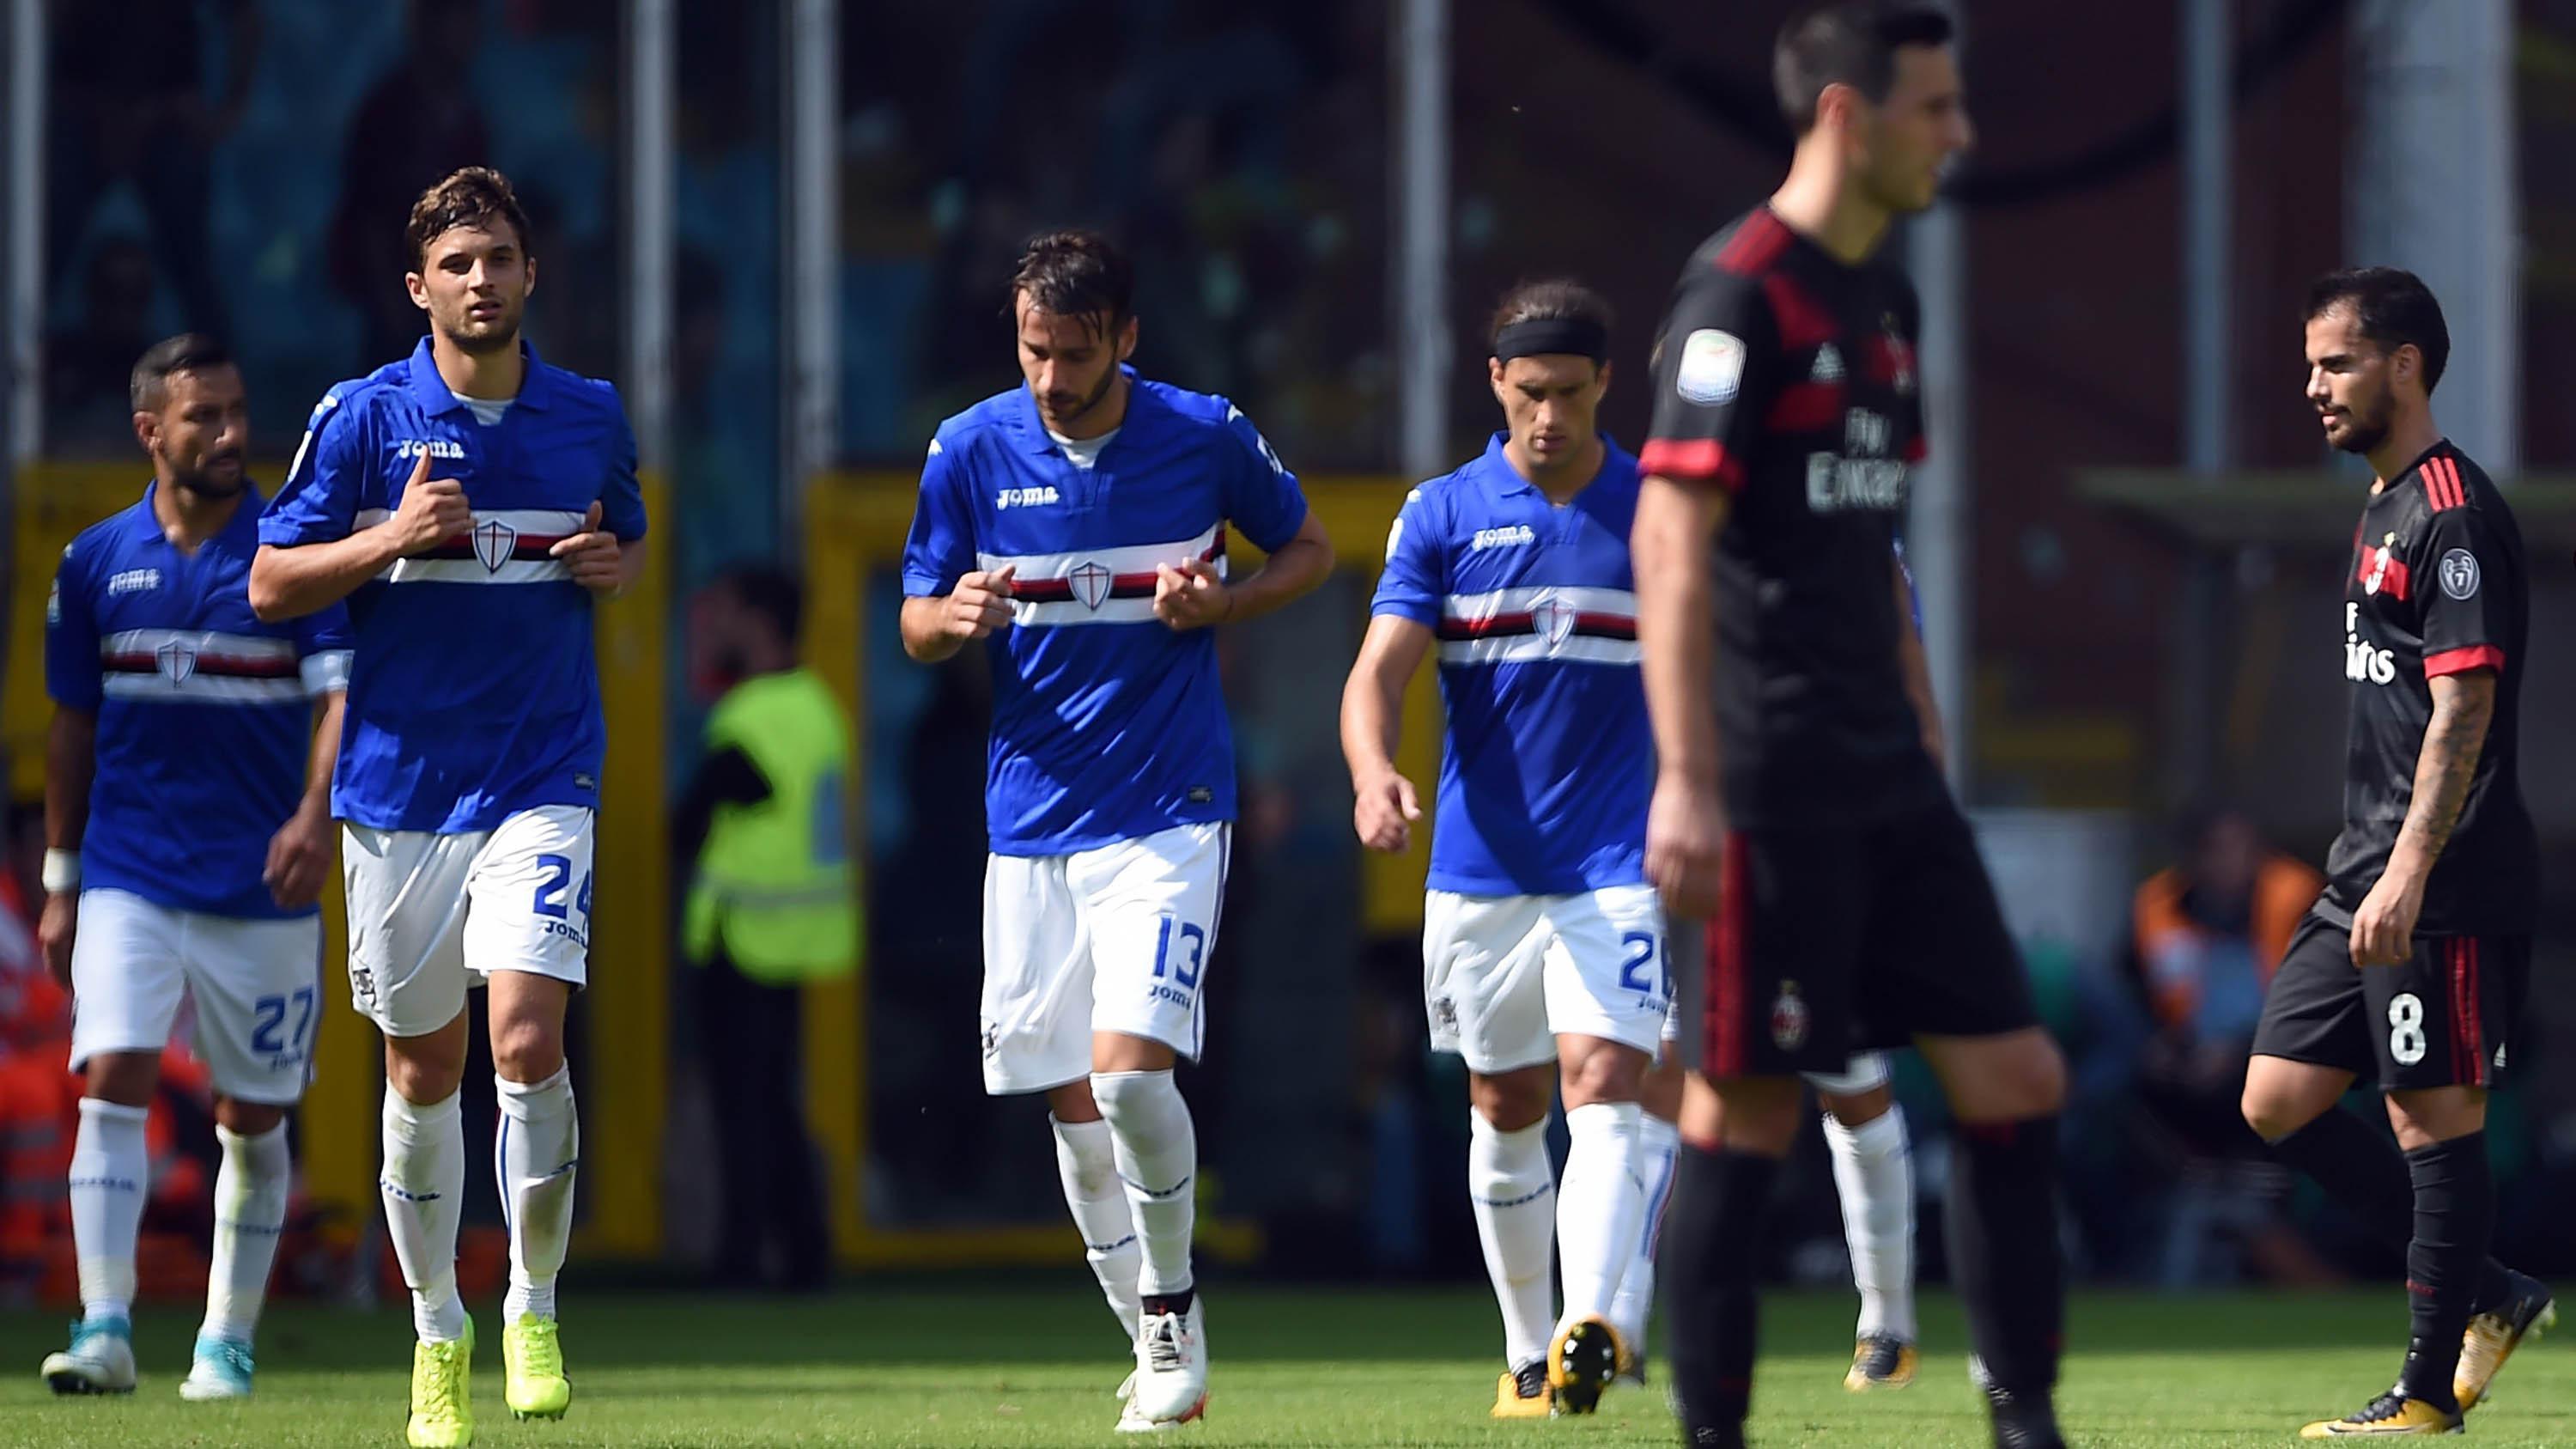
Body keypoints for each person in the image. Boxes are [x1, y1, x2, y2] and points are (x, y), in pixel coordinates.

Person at [1627, 6, 2072, 1448]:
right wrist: (1690, 780)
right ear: (1845, 115)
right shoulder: (1734, 297)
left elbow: (1868, 553)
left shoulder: (1890, 301)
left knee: (2019, 1075)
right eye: (1937, 109)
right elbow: (1669, 540)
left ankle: (2024, 1420)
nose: (1962, 136)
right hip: (1772, 780)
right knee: (1745, 1116)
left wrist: (1925, 724)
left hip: (1890, 772)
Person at [898, 229, 1334, 1433]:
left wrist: (1229, 600)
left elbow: (1311, 544)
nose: (1051, 377)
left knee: (1131, 1071)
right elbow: (913, 619)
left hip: (1169, 804)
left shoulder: (1202, 434)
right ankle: (1152, 1333)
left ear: (1126, 340)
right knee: (1067, 1098)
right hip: (1033, 818)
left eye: (1076, 354)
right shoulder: (970, 449)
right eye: (1035, 350)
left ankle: (1176, 1315)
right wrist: (955, 617)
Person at [249, 167, 647, 1449]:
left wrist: (608, 562)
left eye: (502, 259)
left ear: (533, 275)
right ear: (419, 287)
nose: (483, 280)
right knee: (425, 1069)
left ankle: (530, 1298)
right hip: (400, 788)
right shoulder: (363, 420)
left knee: (527, 1040)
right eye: (458, 263)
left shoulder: (589, 414)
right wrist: (387, 542)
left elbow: (623, 538)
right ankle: (436, 1330)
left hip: (542, 771)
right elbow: (267, 583)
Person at [2240, 267, 2555, 1438]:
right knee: (2274, 1099)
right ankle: (2490, 1287)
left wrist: (2413, 870)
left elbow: (2464, 708)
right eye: (2313, 363)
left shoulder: (2452, 511)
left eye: (2337, 362)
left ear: (2406, 365)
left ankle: (2425, 1393)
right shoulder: (2380, 506)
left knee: (2431, 1117)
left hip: (2442, 877)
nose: (2314, 385)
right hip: (2359, 871)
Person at [35, 335, 350, 1400]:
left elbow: (338, 702)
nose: (228, 433)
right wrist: (61, 875)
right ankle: (106, 1325)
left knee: (250, 1118)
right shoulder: (93, 564)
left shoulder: (288, 554)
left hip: (260, 887)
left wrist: (317, 815)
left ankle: (226, 1337)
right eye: (203, 415)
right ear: (149, 431)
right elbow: (71, 726)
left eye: (236, 410)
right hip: (129, 870)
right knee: (111, 1075)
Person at [677, 563, 859, 1294]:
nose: (714, 629)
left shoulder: (751, 716)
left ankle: (744, 1255)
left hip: (745, 931)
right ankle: (805, 1248)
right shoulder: (819, 705)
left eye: (724, 614)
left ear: (757, 622)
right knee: (774, 1099)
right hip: (800, 932)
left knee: (745, 1104)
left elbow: (690, 820)